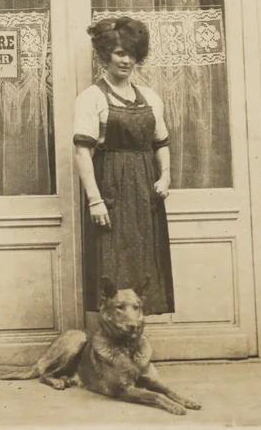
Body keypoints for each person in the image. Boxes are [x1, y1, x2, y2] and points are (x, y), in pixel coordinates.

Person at [73, 16, 175, 316]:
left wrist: (165, 177)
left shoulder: (152, 98)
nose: (126, 60)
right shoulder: (92, 97)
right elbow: (82, 152)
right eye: (119, 53)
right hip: (112, 193)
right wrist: (95, 200)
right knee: (113, 264)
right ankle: (111, 344)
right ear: (105, 55)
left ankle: (135, 339)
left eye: (131, 53)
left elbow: (161, 143)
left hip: (145, 195)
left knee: (145, 264)